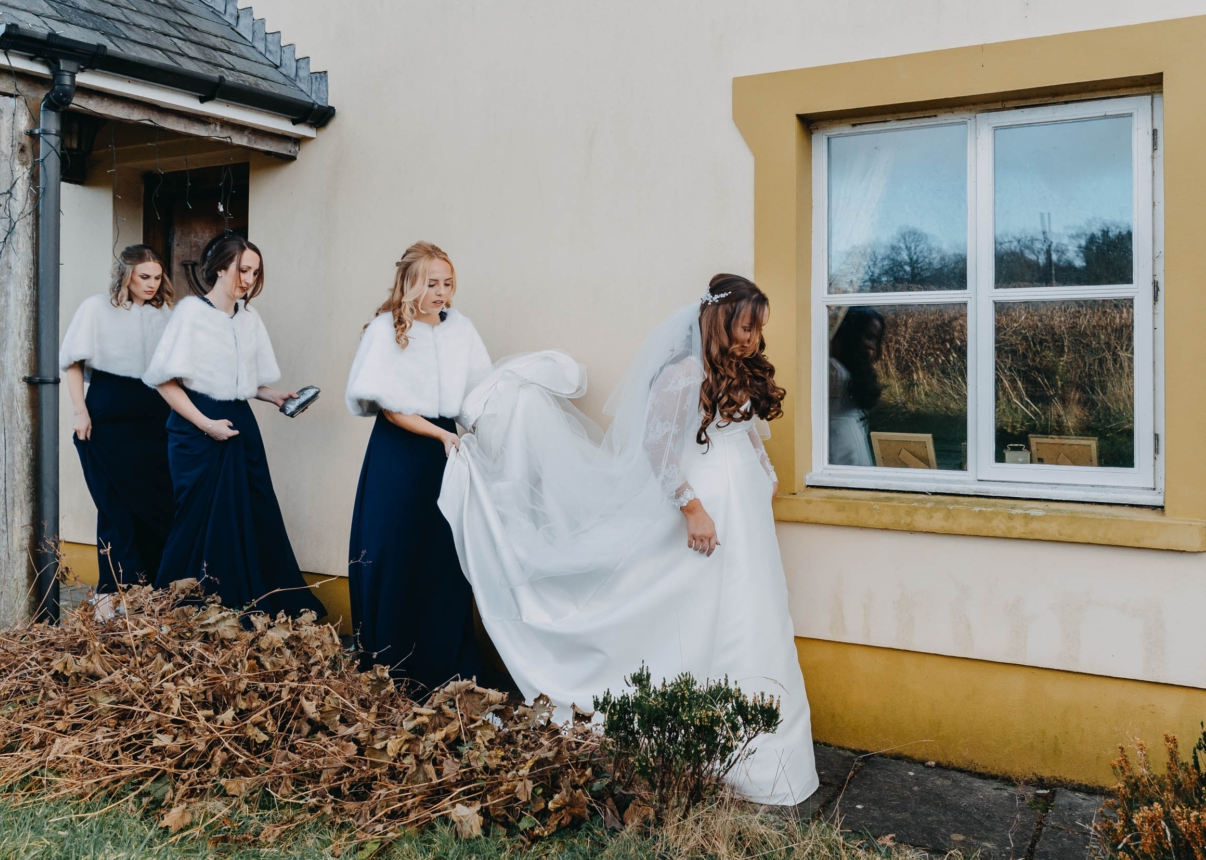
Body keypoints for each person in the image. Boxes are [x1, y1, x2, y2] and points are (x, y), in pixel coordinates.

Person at [439, 275, 819, 806]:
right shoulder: (684, 373)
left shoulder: (736, 370)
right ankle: (695, 740)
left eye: (758, 330)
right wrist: (693, 508)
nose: (751, 338)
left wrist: (765, 469)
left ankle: (761, 757)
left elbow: (748, 428)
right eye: (744, 326)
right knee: (705, 614)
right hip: (705, 507)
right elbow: (658, 449)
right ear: (718, 319)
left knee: (755, 612)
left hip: (747, 514)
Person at [142, 234, 325, 620]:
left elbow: (242, 380)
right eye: (243, 269)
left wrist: (273, 396)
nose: (248, 279)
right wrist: (206, 424)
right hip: (196, 426)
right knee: (199, 519)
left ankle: (249, 608)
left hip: (240, 423)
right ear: (221, 267)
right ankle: (185, 610)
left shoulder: (249, 318)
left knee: (254, 514)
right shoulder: (191, 313)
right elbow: (164, 381)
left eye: (255, 272)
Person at [345, 241, 492, 696]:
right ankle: (392, 667)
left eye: (448, 284)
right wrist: (443, 435)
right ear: (411, 283)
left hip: (446, 455)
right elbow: (391, 409)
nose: (441, 292)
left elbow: (478, 397)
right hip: (401, 456)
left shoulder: (461, 330)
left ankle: (444, 668)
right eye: (432, 283)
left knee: (444, 559)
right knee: (395, 555)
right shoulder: (386, 330)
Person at [59, 244, 175, 594]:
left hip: (156, 420)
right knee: (115, 507)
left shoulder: (166, 313)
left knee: (158, 505)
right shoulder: (96, 308)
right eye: (144, 277)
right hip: (108, 417)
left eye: (157, 277)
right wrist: (80, 411)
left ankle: (156, 592)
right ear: (126, 275)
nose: (152, 284)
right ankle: (115, 593)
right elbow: (73, 363)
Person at [828, 306, 885, 466]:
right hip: (838, 445)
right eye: (869, 337)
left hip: (853, 442)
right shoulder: (832, 369)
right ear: (853, 333)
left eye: (875, 339)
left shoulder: (849, 366)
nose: (872, 346)